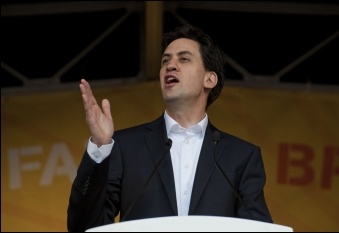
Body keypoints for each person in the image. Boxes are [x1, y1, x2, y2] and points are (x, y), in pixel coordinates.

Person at [67, 25, 273, 232]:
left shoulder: (241, 156)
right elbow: (84, 226)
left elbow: (258, 228)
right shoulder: (126, 147)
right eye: (165, 60)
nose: (170, 66)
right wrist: (100, 147)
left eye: (183, 59)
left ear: (209, 79)